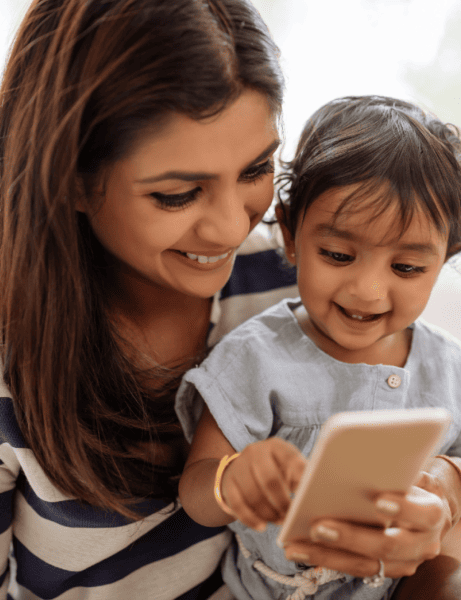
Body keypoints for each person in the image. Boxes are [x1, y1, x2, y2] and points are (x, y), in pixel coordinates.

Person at [0, 1, 300, 598]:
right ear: (74, 180)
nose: (230, 229)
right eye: (179, 194)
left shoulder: (290, 280)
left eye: (255, 169)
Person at [177, 95, 461, 600]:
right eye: (337, 254)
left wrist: (448, 476)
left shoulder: (449, 367)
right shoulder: (255, 357)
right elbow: (196, 492)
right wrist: (233, 479)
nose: (368, 290)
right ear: (289, 235)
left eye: (407, 268)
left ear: (446, 259)